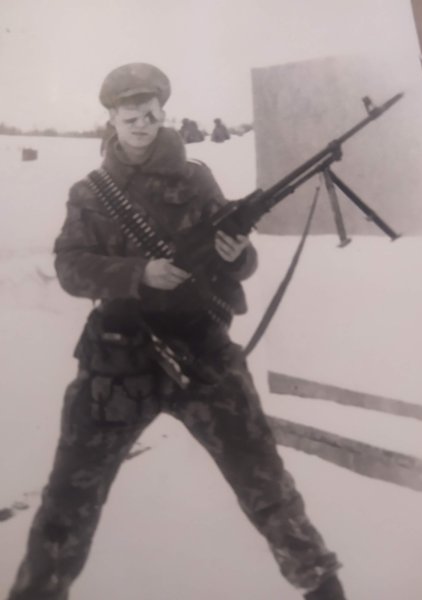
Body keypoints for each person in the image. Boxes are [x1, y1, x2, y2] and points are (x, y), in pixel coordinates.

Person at [7, 63, 347, 600]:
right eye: (130, 116)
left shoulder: (196, 180)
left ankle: (322, 587)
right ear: (111, 118)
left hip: (202, 350)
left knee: (264, 481)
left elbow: (241, 261)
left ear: (162, 111)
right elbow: (70, 268)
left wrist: (237, 256)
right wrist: (138, 273)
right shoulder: (90, 192)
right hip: (119, 359)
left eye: (150, 113)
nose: (141, 124)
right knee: (69, 500)